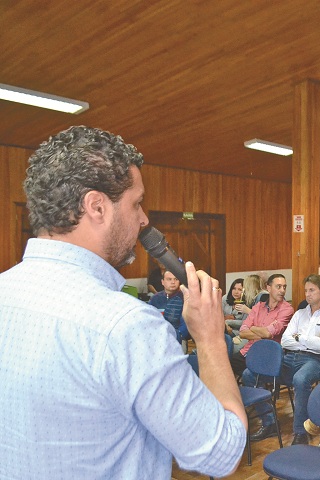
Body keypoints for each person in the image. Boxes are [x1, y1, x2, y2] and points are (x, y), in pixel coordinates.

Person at [0, 126, 247, 477]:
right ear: (97, 207)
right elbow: (221, 454)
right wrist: (209, 338)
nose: (144, 218)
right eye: (136, 202)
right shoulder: (127, 326)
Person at [278, 274, 320, 445]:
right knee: (251, 374)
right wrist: (308, 339)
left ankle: (300, 432)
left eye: (311, 290)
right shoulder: (299, 314)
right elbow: (285, 340)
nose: (307, 294)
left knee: (300, 379)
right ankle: (269, 423)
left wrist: (298, 337)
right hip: (291, 356)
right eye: (306, 290)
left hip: (316, 360)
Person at [233, 273, 293, 382]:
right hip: (249, 350)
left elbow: (268, 334)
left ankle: (258, 392)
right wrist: (262, 332)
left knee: (249, 374)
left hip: (268, 353)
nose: (282, 290)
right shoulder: (258, 307)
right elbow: (242, 332)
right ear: (268, 288)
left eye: (284, 287)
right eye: (278, 286)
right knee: (224, 366)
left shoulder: (287, 309)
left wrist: (253, 328)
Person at [148, 269, 189, 340]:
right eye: (169, 279)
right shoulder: (154, 298)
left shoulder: (184, 299)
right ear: (162, 282)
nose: (173, 282)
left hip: (177, 338)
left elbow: (185, 325)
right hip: (156, 337)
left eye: (176, 279)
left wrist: (175, 336)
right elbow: (148, 320)